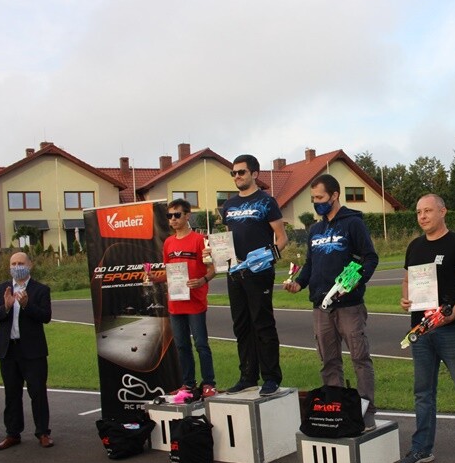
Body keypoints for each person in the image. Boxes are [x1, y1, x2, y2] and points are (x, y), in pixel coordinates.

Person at [397, 194, 455, 463]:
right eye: (418, 212)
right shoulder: (414, 247)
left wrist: (449, 316)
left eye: (428, 211)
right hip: (421, 331)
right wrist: (405, 298)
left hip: (453, 331)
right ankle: (422, 449)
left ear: (443, 211)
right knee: (423, 393)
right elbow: (407, 281)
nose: (422, 216)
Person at [283, 174, 378, 430]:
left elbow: (370, 258)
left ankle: (366, 412)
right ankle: (337, 411)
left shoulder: (353, 223)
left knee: (360, 359)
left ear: (335, 195)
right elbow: (310, 264)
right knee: (329, 361)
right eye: (313, 198)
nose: (317, 202)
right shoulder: (315, 230)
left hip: (349, 306)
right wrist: (299, 283)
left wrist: (356, 280)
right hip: (320, 307)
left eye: (320, 197)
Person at [220, 154, 288, 396]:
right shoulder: (228, 205)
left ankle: (271, 378)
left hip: (259, 273)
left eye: (241, 172)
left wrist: (266, 258)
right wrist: (216, 253)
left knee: (262, 324)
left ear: (254, 174)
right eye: (234, 173)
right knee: (241, 326)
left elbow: (282, 238)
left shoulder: (267, 202)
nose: (237, 176)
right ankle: (247, 376)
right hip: (234, 273)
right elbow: (226, 240)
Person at [0, 252, 53, 450]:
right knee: (12, 394)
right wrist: (5, 307)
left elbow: (46, 317)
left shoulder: (40, 290)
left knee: (37, 392)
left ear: (30, 265)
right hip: (8, 350)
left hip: (32, 351)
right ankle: (12, 434)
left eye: (20, 263)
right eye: (13, 263)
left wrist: (26, 305)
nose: (17, 266)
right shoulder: (0, 290)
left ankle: (43, 433)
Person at [159, 198, 217, 397]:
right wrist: (153, 277)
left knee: (201, 344)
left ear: (187, 216)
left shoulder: (200, 240)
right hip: (176, 302)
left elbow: (213, 268)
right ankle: (188, 384)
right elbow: (168, 272)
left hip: (195, 302)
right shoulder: (168, 243)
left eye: (177, 215)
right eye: (169, 216)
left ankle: (209, 383)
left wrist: (202, 280)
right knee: (182, 346)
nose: (173, 219)